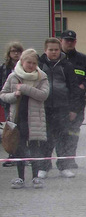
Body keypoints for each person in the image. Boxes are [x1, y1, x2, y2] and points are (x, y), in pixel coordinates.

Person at [0, 49, 50, 189]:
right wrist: (13, 95)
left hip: (35, 119)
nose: (31, 65)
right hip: (18, 118)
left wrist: (24, 88)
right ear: (22, 62)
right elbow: (3, 94)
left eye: (34, 63)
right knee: (19, 149)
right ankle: (20, 177)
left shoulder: (42, 77)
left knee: (35, 148)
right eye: (29, 62)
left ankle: (35, 177)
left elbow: (43, 95)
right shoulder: (13, 76)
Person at [39, 38, 84, 178]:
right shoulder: (40, 66)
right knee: (45, 139)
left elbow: (74, 89)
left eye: (56, 50)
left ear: (60, 50)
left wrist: (73, 109)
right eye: (51, 50)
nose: (53, 52)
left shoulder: (67, 66)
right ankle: (44, 168)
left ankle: (64, 167)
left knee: (63, 138)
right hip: (44, 108)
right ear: (45, 51)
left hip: (63, 108)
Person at [60, 30, 86, 169]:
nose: (69, 43)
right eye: (66, 40)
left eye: (72, 40)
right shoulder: (56, 58)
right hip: (59, 102)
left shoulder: (83, 59)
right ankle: (60, 160)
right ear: (61, 41)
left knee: (73, 131)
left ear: (75, 42)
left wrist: (84, 85)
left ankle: (70, 158)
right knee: (59, 132)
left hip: (77, 102)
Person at [0, 41, 23, 167]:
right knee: (10, 130)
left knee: (23, 129)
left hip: (22, 103)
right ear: (9, 53)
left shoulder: (25, 67)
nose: (15, 54)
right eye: (13, 51)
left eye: (18, 51)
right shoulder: (4, 68)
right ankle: (12, 154)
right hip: (8, 102)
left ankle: (24, 155)